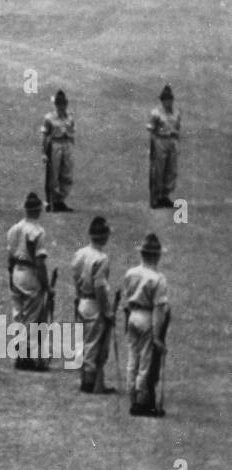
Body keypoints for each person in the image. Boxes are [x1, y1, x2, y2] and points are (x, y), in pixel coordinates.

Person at [122, 233, 171, 416]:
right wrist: (157, 337)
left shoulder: (131, 273)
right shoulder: (159, 279)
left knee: (132, 359)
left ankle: (132, 396)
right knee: (145, 361)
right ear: (157, 256)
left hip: (133, 315)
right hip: (147, 318)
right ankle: (142, 402)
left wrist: (127, 323)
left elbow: (126, 301)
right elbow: (159, 309)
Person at [71, 216, 115, 393]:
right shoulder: (101, 259)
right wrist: (107, 311)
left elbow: (75, 276)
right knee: (94, 343)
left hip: (82, 299)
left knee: (83, 341)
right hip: (94, 304)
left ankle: (85, 378)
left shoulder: (80, 254)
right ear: (104, 237)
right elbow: (100, 288)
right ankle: (90, 383)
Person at [6, 192, 50, 369]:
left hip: (16, 270)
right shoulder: (38, 232)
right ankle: (28, 355)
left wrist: (11, 274)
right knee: (32, 316)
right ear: (39, 210)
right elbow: (40, 262)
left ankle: (19, 352)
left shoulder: (14, 228)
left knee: (18, 313)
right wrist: (46, 285)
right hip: (30, 273)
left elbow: (9, 256)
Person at [42, 90, 75, 212]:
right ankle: (52, 201)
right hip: (55, 144)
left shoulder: (70, 117)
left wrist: (71, 147)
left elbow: (72, 132)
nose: (61, 106)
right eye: (59, 104)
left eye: (63, 104)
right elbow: (45, 136)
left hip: (67, 144)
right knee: (54, 174)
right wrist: (44, 153)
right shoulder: (49, 118)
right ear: (55, 104)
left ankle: (61, 200)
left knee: (67, 173)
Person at [148, 85, 180, 208]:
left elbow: (177, 128)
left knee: (171, 171)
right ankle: (155, 198)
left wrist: (176, 144)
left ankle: (165, 196)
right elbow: (151, 129)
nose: (167, 101)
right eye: (165, 99)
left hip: (172, 141)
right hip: (160, 140)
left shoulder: (176, 113)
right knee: (159, 171)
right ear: (161, 100)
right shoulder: (156, 113)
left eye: (169, 99)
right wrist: (153, 147)